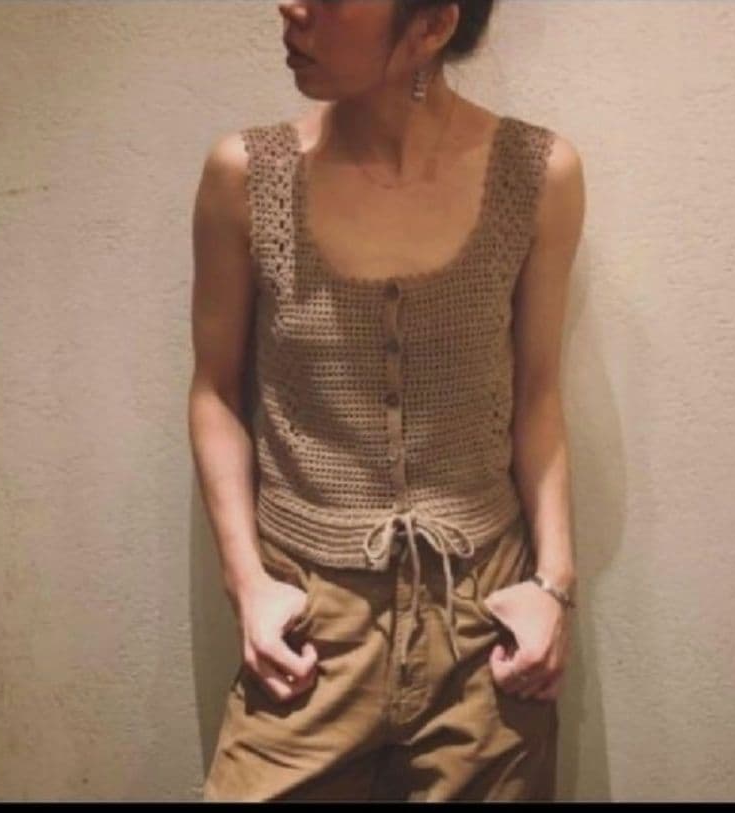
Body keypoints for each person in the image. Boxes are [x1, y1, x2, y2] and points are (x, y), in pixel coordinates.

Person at [188, 0, 585, 801]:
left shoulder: (537, 173)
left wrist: (553, 585)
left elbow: (538, 395)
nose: (292, 8)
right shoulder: (248, 174)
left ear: (432, 25)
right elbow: (215, 392)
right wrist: (247, 582)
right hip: (309, 631)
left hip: (485, 633)